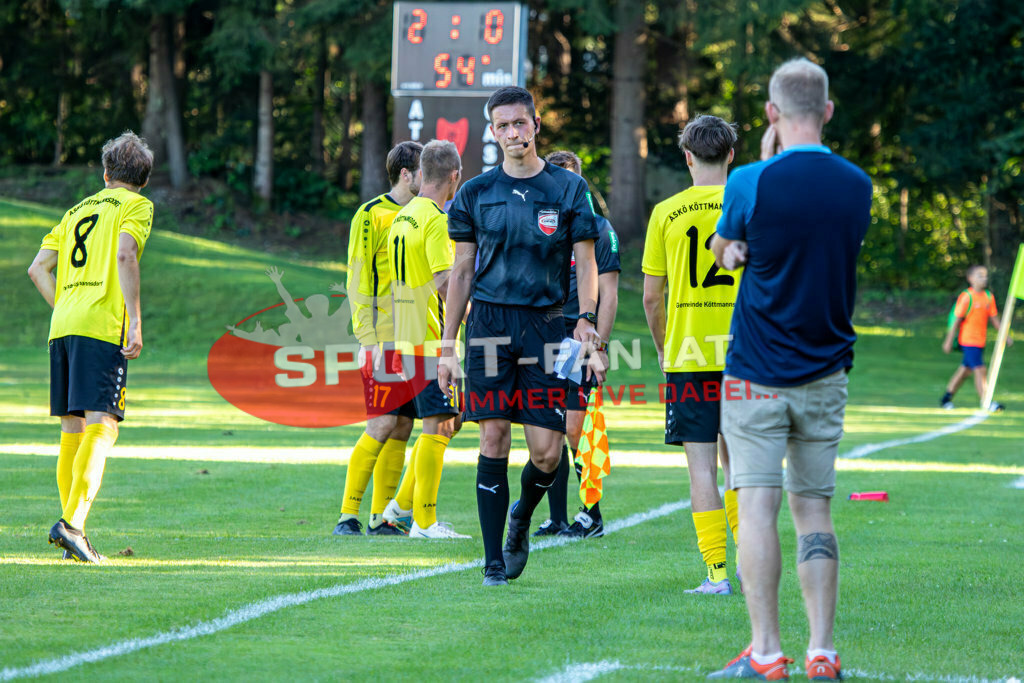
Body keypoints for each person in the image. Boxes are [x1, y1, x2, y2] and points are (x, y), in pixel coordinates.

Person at [708, 58, 872, 681]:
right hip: (826, 372)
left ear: (773, 113)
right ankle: (823, 651)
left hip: (755, 371)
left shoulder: (749, 179)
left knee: (756, 507)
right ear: (828, 111)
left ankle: (767, 652)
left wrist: (735, 247)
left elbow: (727, 250)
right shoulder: (858, 185)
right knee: (815, 510)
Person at [437, 86, 602, 586]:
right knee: (493, 435)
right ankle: (493, 563)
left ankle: (523, 516)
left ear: (536, 126)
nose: (513, 133)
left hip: (549, 326)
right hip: (487, 322)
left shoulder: (569, 190)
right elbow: (461, 272)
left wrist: (587, 320)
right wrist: (448, 346)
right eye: (503, 125)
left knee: (548, 453)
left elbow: (588, 264)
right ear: (493, 132)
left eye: (520, 124)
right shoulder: (473, 194)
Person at [27, 131, 155, 563]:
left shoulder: (76, 209)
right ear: (144, 178)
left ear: (105, 173)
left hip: (62, 325)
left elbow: (37, 268)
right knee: (104, 424)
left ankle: (70, 534)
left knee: (72, 427)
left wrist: (66, 304)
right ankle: (74, 525)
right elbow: (125, 256)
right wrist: (135, 321)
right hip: (101, 326)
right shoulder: (137, 205)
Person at [642, 115, 741, 594]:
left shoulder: (666, 211)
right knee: (740, 465)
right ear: (731, 156)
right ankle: (753, 565)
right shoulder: (750, 207)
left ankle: (717, 574)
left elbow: (650, 297)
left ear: (687, 157)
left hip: (688, 356)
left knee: (700, 468)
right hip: (745, 357)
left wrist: (665, 348)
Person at [333, 141, 422, 537]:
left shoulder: (427, 216)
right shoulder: (371, 215)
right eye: (425, 171)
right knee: (382, 422)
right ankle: (346, 516)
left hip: (417, 339)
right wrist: (367, 339)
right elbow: (358, 278)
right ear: (407, 174)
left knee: (403, 425)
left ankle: (382, 518)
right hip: (383, 338)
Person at [382, 139, 471, 539]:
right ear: (455, 176)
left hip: (406, 335)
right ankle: (425, 522)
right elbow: (444, 281)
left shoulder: (403, 217)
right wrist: (472, 313)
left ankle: (399, 508)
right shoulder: (436, 219)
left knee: (448, 424)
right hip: (432, 340)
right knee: (437, 426)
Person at [532, 150, 620, 539]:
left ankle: (591, 512)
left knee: (574, 426)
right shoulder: (541, 227)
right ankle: (557, 517)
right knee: (545, 427)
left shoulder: (600, 229)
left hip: (579, 336)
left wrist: (598, 345)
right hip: (542, 335)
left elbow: (610, 293)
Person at [940, 265, 1011, 411]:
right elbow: (957, 320)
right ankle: (987, 402)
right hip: (968, 340)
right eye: (979, 275)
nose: (983, 278)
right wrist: (948, 340)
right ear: (970, 278)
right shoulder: (967, 296)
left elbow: (994, 319)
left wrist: (1005, 335)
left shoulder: (988, 297)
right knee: (980, 370)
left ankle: (946, 398)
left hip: (980, 341)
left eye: (985, 275)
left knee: (965, 370)